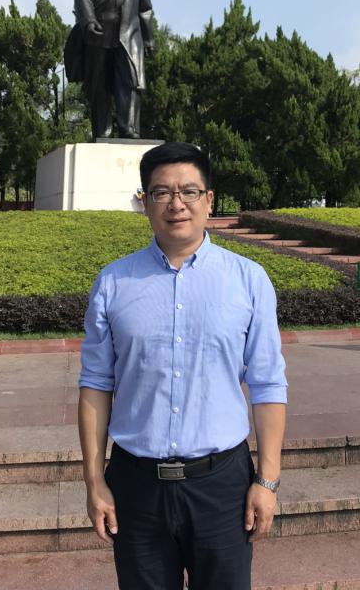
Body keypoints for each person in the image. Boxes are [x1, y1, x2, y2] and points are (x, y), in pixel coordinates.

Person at [78, 141, 287, 590]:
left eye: (189, 191)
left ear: (209, 200)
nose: (177, 204)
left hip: (222, 487)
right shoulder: (113, 283)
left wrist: (267, 481)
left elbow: (268, 384)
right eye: (162, 192)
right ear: (144, 202)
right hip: (136, 487)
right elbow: (96, 384)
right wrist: (94, 481)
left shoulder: (248, 281)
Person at [65, 0, 154, 140]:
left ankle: (129, 129)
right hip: (99, 33)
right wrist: (89, 21)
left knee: (130, 82)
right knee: (99, 84)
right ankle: (102, 132)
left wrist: (148, 38)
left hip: (129, 35)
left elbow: (145, 8)